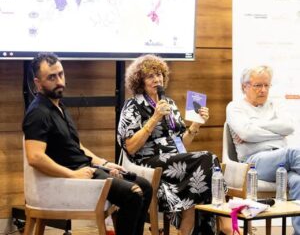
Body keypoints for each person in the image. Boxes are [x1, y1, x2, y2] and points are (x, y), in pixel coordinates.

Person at [22, 52, 152, 235]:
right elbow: (35, 157)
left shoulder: (59, 106)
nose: (59, 81)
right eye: (51, 77)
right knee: (132, 193)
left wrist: (104, 163)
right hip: (72, 178)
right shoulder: (38, 113)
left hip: (87, 169)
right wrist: (73, 174)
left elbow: (77, 147)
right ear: (37, 82)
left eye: (60, 74)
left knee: (145, 187)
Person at [117, 54, 231, 235]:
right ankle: (225, 226)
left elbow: (181, 144)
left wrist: (196, 124)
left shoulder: (169, 103)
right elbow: (130, 147)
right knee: (209, 158)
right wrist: (154, 118)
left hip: (173, 160)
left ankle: (190, 227)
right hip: (147, 162)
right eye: (150, 76)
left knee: (204, 167)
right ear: (140, 81)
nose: (157, 79)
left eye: (159, 74)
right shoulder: (132, 106)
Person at [226, 65, 300, 235]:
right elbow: (246, 133)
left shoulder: (275, 104)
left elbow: (288, 127)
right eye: (258, 85)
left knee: (297, 181)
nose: (263, 90)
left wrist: (255, 125)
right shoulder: (235, 107)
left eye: (267, 85)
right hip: (254, 161)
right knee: (294, 152)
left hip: (282, 162)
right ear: (245, 86)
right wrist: (276, 133)